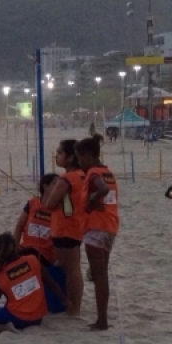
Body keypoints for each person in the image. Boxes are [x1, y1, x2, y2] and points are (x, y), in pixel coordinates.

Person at [0, 233, 65, 335]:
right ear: (16, 247)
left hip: (19, 317)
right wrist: (65, 300)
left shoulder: (0, 275)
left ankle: (3, 328)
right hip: (38, 317)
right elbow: (51, 284)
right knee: (2, 309)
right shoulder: (33, 260)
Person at [76, 134, 119, 331]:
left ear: (87, 155)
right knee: (101, 274)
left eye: (80, 158)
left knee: (99, 274)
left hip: (96, 227)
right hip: (110, 225)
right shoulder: (107, 172)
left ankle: (102, 320)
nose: (79, 163)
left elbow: (101, 190)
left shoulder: (93, 173)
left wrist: (91, 200)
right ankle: (102, 317)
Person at [40, 139, 86, 316]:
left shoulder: (66, 179)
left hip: (65, 228)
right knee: (73, 268)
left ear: (70, 157)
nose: (56, 156)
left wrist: (47, 190)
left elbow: (49, 204)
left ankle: (74, 307)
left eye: (60, 153)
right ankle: (75, 305)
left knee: (71, 270)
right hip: (76, 226)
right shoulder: (82, 175)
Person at [12, 173, 58, 267]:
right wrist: (13, 250)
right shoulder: (32, 203)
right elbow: (19, 227)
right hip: (25, 250)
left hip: (45, 256)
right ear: (45, 187)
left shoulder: (59, 209)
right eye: (55, 184)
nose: (59, 187)